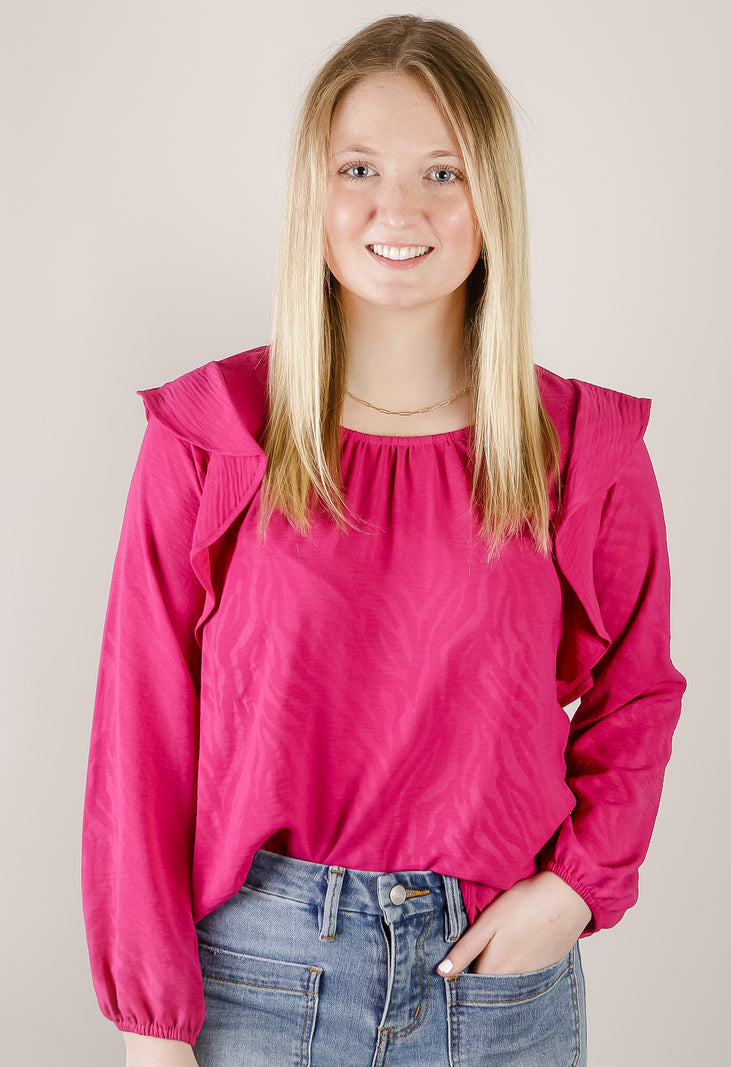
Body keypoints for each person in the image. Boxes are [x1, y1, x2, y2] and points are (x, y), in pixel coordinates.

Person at [82, 14, 686, 1067]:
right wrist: (150, 1022)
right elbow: (141, 729)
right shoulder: (211, 437)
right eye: (357, 166)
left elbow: (636, 691)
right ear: (311, 196)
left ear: (490, 197)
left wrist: (574, 890)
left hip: (493, 977)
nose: (395, 209)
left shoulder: (579, 450)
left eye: (442, 172)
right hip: (254, 977)